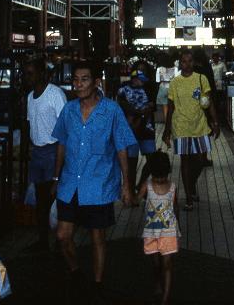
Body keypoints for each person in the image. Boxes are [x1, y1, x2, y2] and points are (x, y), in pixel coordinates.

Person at [51, 61, 135, 302]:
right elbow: (62, 143)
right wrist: (56, 178)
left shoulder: (111, 111)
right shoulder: (68, 110)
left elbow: (121, 148)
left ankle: (97, 283)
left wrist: (126, 185)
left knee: (98, 237)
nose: (78, 84)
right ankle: (76, 272)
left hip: (98, 185)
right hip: (69, 184)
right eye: (75, 80)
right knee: (62, 236)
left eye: (84, 79)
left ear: (96, 82)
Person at [163, 49, 220, 211]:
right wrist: (166, 131)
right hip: (180, 126)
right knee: (185, 161)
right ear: (179, 63)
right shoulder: (175, 82)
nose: (186, 64)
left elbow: (209, 102)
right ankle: (188, 196)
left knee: (202, 160)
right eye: (183, 61)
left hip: (200, 125)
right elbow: (171, 107)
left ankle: (191, 183)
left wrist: (215, 122)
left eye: (189, 61)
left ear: (194, 62)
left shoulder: (201, 79)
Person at [24, 56, 67, 252]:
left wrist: (60, 166)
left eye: (31, 73)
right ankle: (43, 242)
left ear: (42, 73)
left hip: (53, 151)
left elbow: (65, 129)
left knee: (53, 200)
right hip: (38, 152)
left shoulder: (55, 94)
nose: (27, 77)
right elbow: (30, 124)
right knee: (41, 201)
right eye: (26, 73)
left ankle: (60, 243)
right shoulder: (30, 97)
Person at [138, 151, 180, 305]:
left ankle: (165, 298)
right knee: (157, 264)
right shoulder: (147, 186)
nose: (161, 180)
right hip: (151, 232)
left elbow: (175, 208)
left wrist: (177, 228)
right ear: (152, 174)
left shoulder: (173, 187)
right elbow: (136, 200)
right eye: (157, 177)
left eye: (163, 177)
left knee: (167, 264)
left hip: (168, 232)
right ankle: (158, 285)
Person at [117, 69, 156, 195]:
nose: (143, 83)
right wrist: (140, 112)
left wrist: (142, 113)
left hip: (147, 129)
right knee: (131, 163)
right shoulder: (123, 90)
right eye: (141, 80)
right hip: (130, 131)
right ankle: (131, 191)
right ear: (133, 79)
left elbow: (152, 106)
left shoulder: (148, 88)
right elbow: (122, 106)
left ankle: (140, 185)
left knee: (152, 160)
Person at [156, 53, 177, 122]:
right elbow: (177, 80)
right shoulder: (175, 69)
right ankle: (171, 123)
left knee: (164, 107)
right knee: (172, 107)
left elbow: (157, 80)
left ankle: (166, 122)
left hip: (162, 88)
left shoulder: (159, 69)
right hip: (172, 88)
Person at [211, 52, 228, 119]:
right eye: (214, 58)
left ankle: (222, 114)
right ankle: (216, 114)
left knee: (221, 100)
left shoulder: (222, 64)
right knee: (215, 100)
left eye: (216, 57)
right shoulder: (211, 65)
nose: (215, 59)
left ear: (218, 58)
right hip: (214, 85)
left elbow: (225, 74)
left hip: (221, 84)